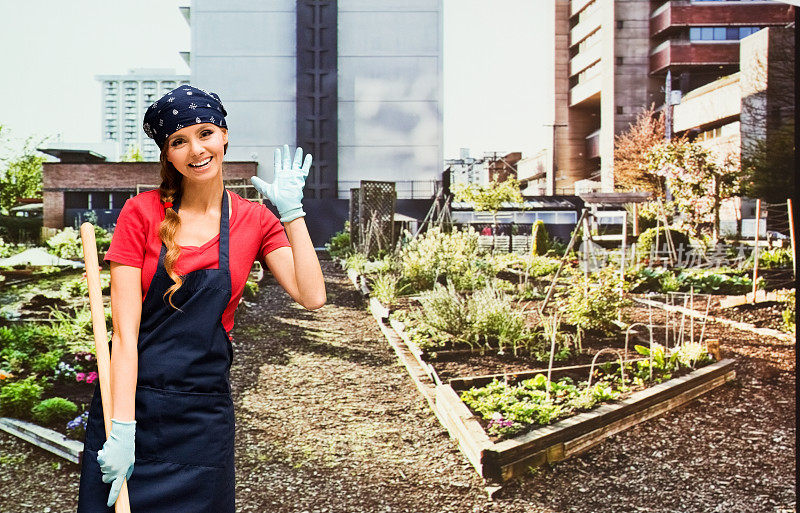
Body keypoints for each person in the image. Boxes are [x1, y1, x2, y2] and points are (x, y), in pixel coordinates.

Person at [77, 85, 326, 512]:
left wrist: (292, 213)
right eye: (179, 141)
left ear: (224, 136)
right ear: (168, 154)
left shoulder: (255, 220)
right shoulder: (141, 214)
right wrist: (122, 428)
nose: (196, 149)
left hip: (202, 417)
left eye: (205, 132)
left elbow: (312, 295)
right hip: (131, 404)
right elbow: (125, 335)